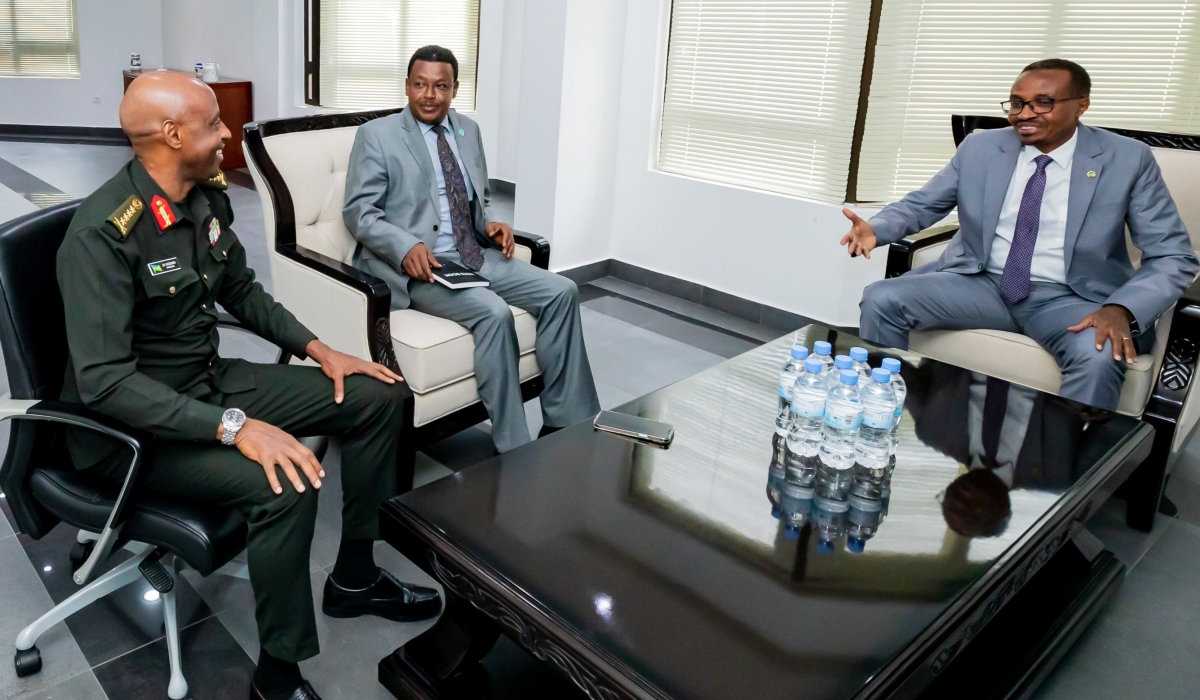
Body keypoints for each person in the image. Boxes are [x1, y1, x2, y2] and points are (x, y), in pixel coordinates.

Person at [58, 71, 440, 700]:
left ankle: (354, 577)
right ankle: (277, 676)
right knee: (282, 481)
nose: (227, 132)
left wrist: (323, 351)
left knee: (379, 396)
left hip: (208, 381)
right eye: (212, 124)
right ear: (173, 134)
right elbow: (105, 385)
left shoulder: (202, 196)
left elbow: (239, 288)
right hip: (132, 428)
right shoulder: (104, 234)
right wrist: (236, 428)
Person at [842, 59, 1199, 412]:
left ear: (1081, 105)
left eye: (1043, 102)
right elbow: (924, 204)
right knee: (883, 298)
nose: (1024, 114)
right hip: (981, 283)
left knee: (1097, 353)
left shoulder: (1126, 159)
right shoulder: (981, 147)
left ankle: (1070, 461)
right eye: (1016, 103)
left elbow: (1173, 255)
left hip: (1071, 298)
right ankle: (878, 414)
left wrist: (1121, 308)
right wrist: (878, 228)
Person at [343, 45, 601, 453]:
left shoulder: (468, 130)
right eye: (420, 85)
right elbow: (359, 212)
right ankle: (514, 448)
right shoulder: (377, 136)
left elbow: (474, 199)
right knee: (493, 314)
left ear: (455, 89)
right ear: (407, 86)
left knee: (562, 292)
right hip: (420, 264)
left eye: (440, 86)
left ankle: (567, 424)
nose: (430, 95)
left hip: (473, 254)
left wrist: (489, 223)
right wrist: (404, 244)